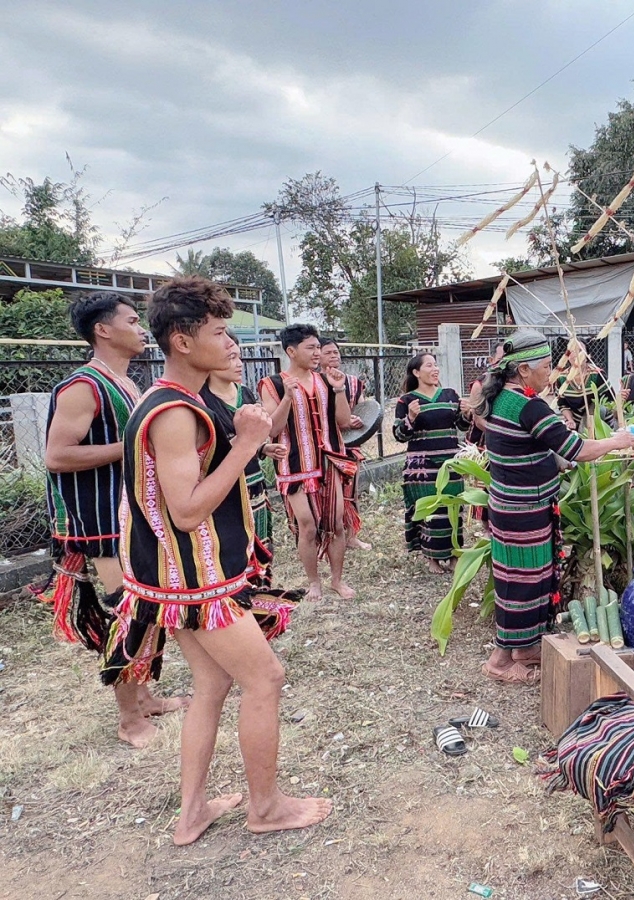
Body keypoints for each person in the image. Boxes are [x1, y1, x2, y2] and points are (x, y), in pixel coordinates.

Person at [100, 275, 331, 845]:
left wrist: (246, 442)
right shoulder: (175, 411)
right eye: (220, 332)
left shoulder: (177, 398)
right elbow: (185, 510)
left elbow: (203, 472)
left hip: (172, 577)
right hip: (197, 580)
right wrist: (250, 446)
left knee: (211, 687)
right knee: (265, 679)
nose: (231, 343)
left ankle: (192, 813)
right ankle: (266, 808)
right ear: (182, 341)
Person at [39, 291, 186, 747]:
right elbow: (57, 455)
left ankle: (145, 698)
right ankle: (129, 718)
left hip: (129, 516)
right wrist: (136, 449)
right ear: (103, 330)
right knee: (128, 613)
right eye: (130, 320)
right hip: (100, 522)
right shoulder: (84, 386)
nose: (141, 328)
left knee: (149, 608)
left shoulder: (126, 382)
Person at [476, 329, 634, 685]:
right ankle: (500, 660)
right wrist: (617, 441)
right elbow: (576, 449)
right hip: (524, 510)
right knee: (522, 581)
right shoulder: (528, 405)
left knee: (524, 576)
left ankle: (525, 647)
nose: (552, 372)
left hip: (509, 504)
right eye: (547, 366)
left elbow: (532, 447)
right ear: (524, 371)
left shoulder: (501, 398)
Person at [259, 324, 356, 600]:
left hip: (329, 461)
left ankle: (337, 580)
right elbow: (272, 428)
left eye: (318, 347)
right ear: (291, 351)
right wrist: (288, 397)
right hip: (294, 464)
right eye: (310, 348)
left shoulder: (327, 379)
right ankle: (314, 582)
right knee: (308, 525)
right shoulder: (273, 384)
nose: (317, 353)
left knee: (336, 523)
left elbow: (344, 422)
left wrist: (339, 391)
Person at [201, 336, 287, 582]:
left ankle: (261, 593)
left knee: (260, 543)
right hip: (225, 489)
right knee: (232, 551)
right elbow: (210, 451)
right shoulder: (202, 400)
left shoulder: (245, 393)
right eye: (231, 358)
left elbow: (252, 440)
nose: (239, 364)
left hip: (254, 485)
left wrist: (263, 449)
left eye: (239, 357)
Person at [393, 352, 471, 574]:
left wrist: (466, 414)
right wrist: (410, 418)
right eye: (429, 365)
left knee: (453, 508)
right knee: (430, 510)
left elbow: (462, 427)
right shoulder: (407, 401)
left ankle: (455, 553)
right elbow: (399, 436)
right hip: (422, 467)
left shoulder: (450, 395)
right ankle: (432, 558)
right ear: (416, 372)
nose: (435, 369)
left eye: (436, 365)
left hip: (450, 463)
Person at [318, 337, 372, 550]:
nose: (334, 356)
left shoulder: (353, 382)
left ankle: (351, 536)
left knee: (351, 492)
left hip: (349, 445)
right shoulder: (313, 381)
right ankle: (326, 535)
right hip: (322, 445)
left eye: (336, 352)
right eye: (329, 352)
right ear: (318, 356)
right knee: (324, 493)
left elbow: (362, 410)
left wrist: (356, 420)